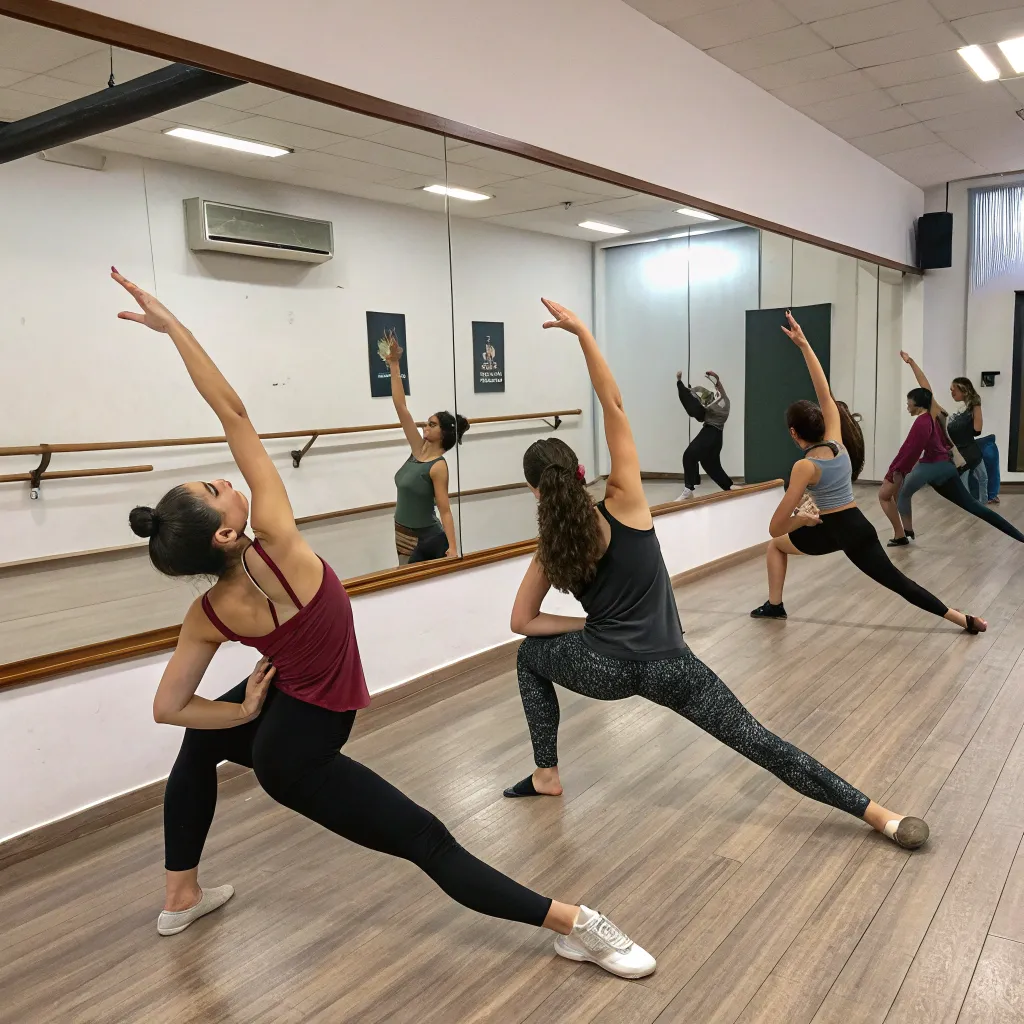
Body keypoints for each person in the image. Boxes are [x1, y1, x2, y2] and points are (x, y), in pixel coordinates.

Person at [112, 269, 654, 980]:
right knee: (426, 840)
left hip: (283, 723)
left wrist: (240, 707)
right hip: (299, 750)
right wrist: (173, 327)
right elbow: (235, 412)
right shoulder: (283, 546)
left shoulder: (205, 614)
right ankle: (577, 925)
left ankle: (180, 894)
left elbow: (168, 706)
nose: (226, 479)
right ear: (222, 534)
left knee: (193, 739)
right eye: (215, 490)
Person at [503, 298, 931, 857]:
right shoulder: (625, 501)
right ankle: (881, 816)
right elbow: (612, 402)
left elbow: (521, 622)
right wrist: (583, 332)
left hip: (602, 668)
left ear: (535, 491)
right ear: (579, 471)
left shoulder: (549, 548)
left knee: (528, 658)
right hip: (670, 667)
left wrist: (586, 630)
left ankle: (546, 775)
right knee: (759, 742)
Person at [749, 313, 986, 634]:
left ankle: (775, 606)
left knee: (776, 544)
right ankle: (964, 619)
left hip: (833, 531)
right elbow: (824, 393)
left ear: (794, 433)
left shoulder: (804, 467)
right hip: (859, 526)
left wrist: (803, 518)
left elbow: (775, 526)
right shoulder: (837, 444)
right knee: (900, 583)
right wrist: (804, 344)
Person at [877, 374, 1023, 547]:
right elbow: (926, 388)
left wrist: (896, 471)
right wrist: (911, 363)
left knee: (903, 493)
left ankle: (905, 534)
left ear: (917, 404)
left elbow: (911, 451)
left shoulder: (924, 422)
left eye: (909, 402)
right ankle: (1020, 536)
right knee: (974, 506)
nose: (907, 406)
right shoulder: (933, 418)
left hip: (934, 466)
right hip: (945, 465)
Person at [384, 334, 467, 565]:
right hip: (402, 534)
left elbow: (445, 509)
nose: (425, 426)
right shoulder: (417, 449)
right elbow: (401, 407)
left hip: (427, 539)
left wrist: (452, 548)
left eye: (432, 424)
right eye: (427, 423)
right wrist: (394, 364)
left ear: (444, 434)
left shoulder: (438, 466)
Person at [674, 369, 733, 500]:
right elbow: (718, 387)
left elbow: (696, 410)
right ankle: (728, 486)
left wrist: (681, 386)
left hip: (710, 433)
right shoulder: (724, 400)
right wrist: (715, 378)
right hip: (717, 438)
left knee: (689, 455)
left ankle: (688, 489)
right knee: (710, 464)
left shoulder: (716, 407)